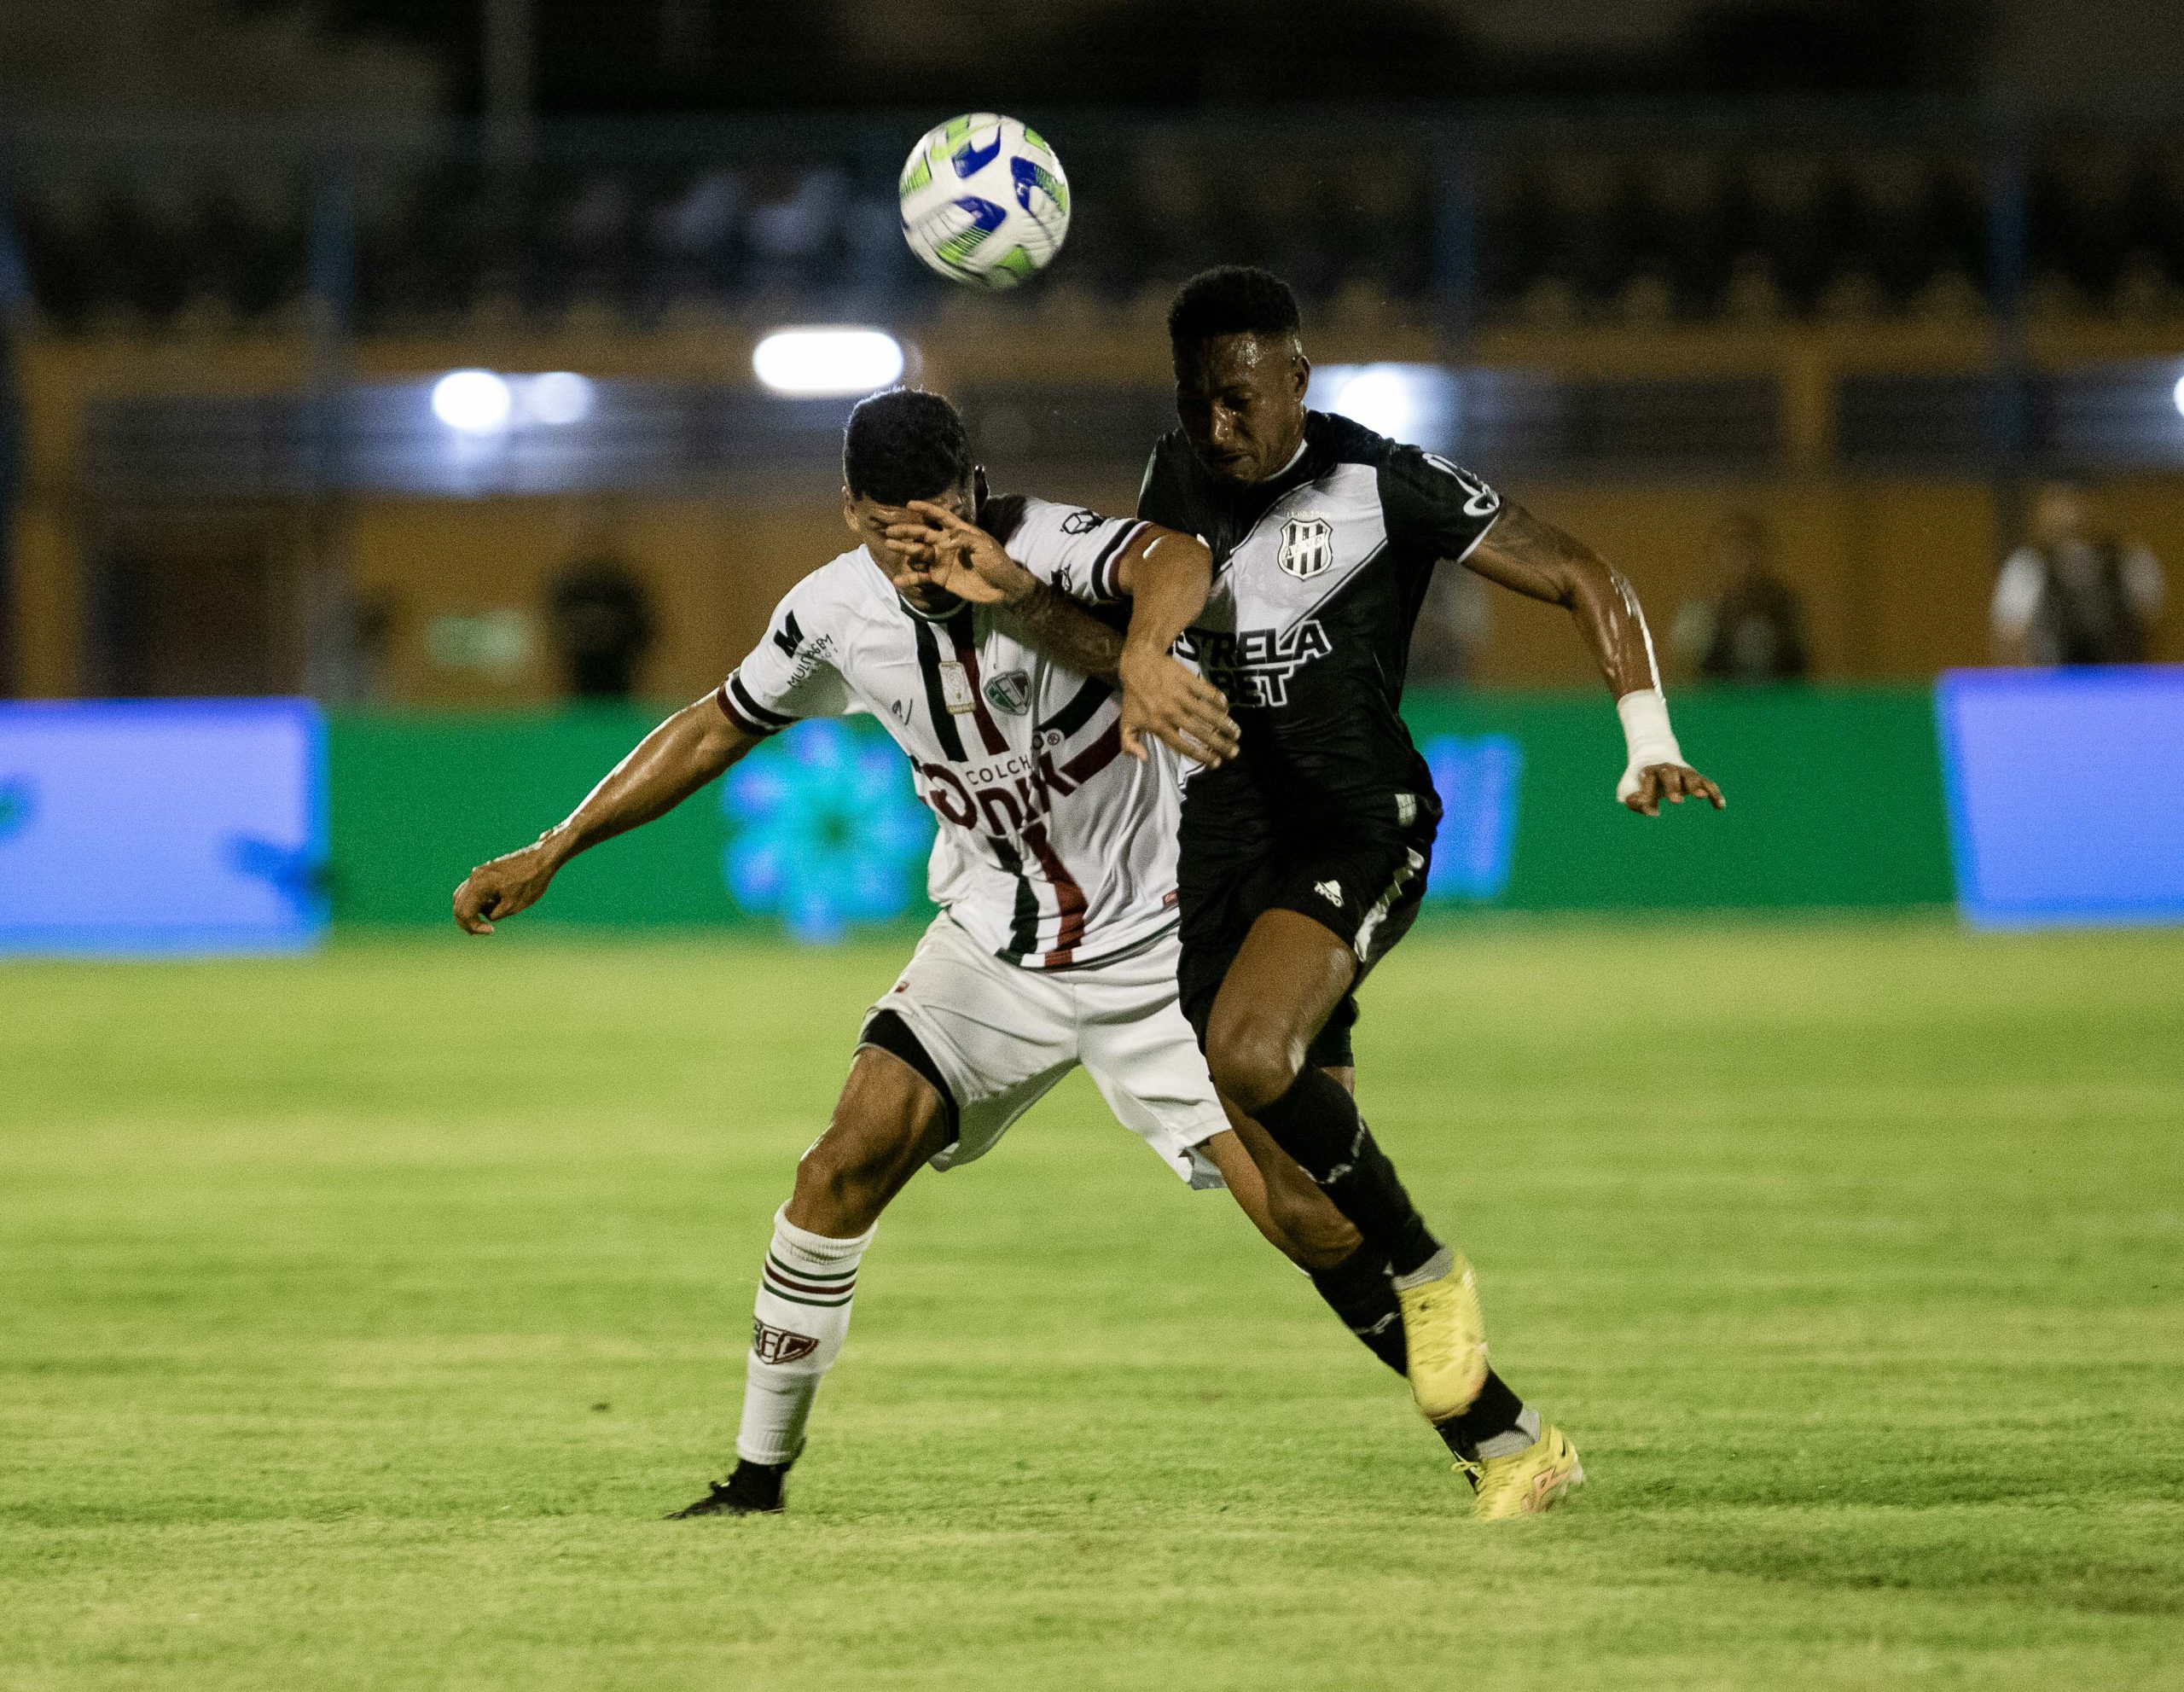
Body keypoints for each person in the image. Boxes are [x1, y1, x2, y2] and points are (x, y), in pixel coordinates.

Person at [450, 389, 1507, 1521]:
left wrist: (1146, 653)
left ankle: (1502, 1432)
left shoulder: (1043, 543)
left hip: (1162, 947)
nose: (917, 547)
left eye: (938, 515)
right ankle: (755, 1482)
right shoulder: (830, 615)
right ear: (849, 513)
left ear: (972, 490)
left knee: (1307, 1216)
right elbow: (717, 719)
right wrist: (558, 844)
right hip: (992, 952)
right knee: (836, 1167)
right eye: (886, 527)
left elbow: (1174, 558)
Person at [1118, 266, 1725, 1516]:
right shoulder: (1171, 481)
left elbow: (1586, 574)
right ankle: (1510, 1442)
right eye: (1195, 404)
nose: (1215, 429)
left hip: (1358, 821)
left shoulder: (1382, 479)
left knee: (1248, 1044)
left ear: (1296, 377)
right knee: (1297, 1207)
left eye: (1238, 400)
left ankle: (1429, 1263)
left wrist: (1645, 733)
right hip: (1224, 841)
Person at [1991, 481, 2164, 666]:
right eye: (2064, 506)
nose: (2075, 514)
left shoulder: (2130, 561)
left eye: (2084, 504)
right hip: (2049, 685)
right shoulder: (2028, 566)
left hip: (2119, 683)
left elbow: (2153, 633)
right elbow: (2009, 639)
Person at [1672, 510, 1809, 683]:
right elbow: (1686, 682)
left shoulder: (1786, 609)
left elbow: (1805, 675)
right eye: (1734, 550)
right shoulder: (1700, 616)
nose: (1745, 560)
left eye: (1753, 548)